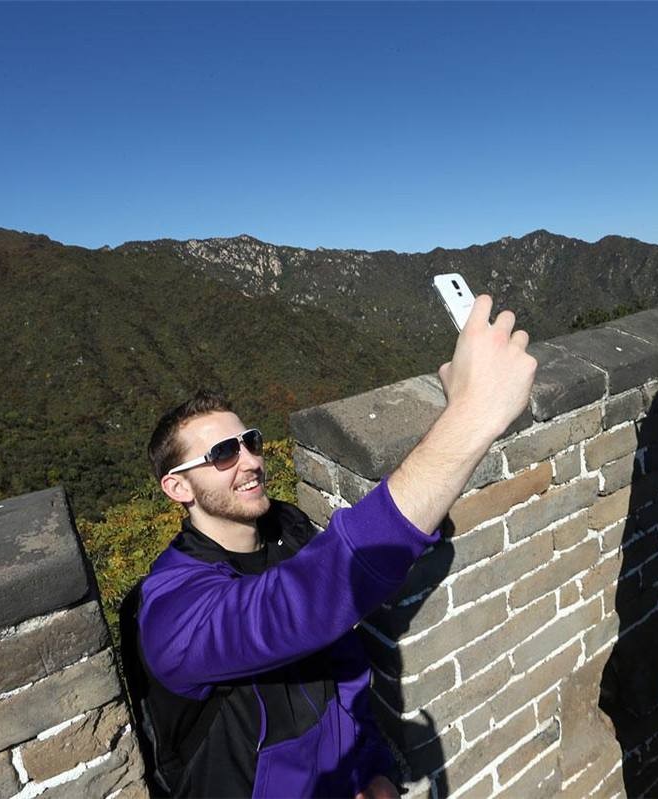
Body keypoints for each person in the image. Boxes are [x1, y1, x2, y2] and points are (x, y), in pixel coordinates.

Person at [131, 295, 536, 798]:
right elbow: (304, 604)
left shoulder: (289, 531)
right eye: (222, 454)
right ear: (177, 487)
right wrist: (473, 415)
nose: (250, 461)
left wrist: (371, 768)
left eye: (250, 441)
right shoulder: (171, 611)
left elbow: (343, 667)